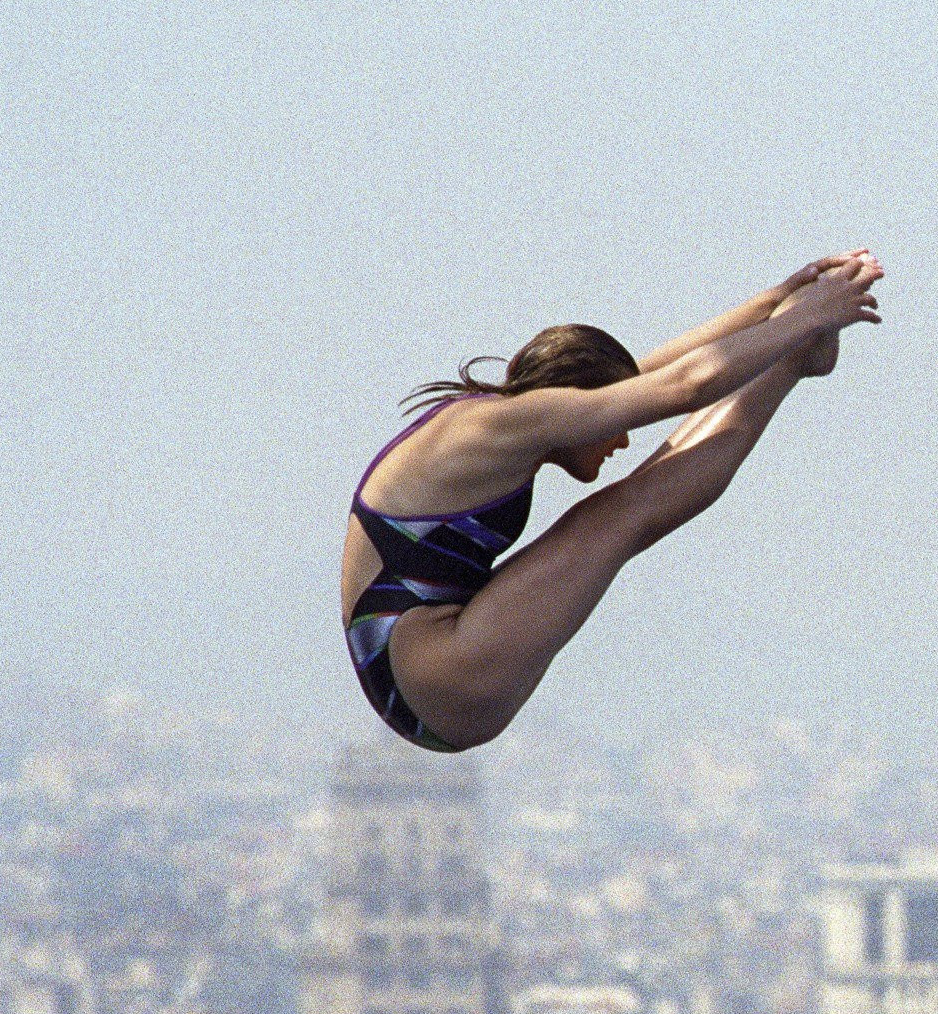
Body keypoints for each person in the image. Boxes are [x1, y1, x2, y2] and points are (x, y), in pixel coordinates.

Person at [343, 251, 882, 752]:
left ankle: (788, 361)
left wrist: (776, 302)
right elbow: (688, 383)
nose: (623, 440)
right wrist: (803, 321)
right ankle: (789, 364)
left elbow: (652, 376)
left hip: (435, 668)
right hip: (431, 675)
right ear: (574, 393)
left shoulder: (519, 414)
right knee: (611, 519)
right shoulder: (497, 424)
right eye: (612, 427)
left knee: (609, 515)